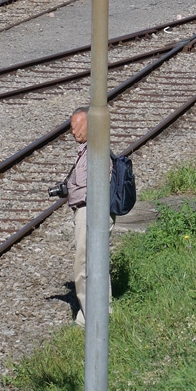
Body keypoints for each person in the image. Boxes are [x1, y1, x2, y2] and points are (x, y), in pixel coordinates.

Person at [65, 107, 113, 327]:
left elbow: (98, 182)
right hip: (90, 211)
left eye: (76, 127)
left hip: (90, 212)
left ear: (88, 124)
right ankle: (104, 309)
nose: (73, 132)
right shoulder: (89, 149)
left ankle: (89, 316)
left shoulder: (95, 149)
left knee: (83, 265)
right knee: (98, 262)